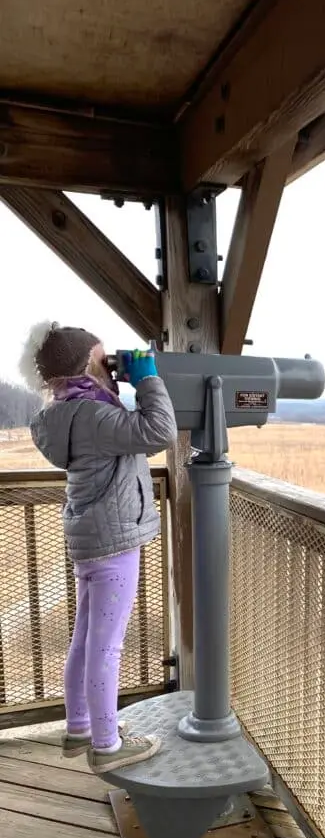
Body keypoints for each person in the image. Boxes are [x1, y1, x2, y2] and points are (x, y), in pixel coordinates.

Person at [19, 322, 178, 775]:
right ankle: (108, 745)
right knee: (106, 647)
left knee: (86, 639)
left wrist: (123, 381)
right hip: (114, 545)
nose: (109, 364)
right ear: (87, 363)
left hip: (90, 540)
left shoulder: (61, 414)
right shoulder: (95, 416)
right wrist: (147, 378)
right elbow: (160, 431)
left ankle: (80, 726)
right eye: (102, 357)